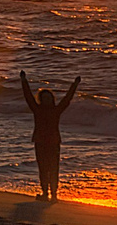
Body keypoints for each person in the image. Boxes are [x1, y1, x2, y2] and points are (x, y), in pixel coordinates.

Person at [19, 70, 82, 201]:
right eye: (44, 98)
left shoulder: (56, 110)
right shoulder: (37, 110)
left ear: (52, 99)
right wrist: (23, 81)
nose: (47, 100)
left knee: (53, 168)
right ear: (41, 100)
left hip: (53, 142)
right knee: (43, 168)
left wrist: (74, 84)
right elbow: (28, 96)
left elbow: (67, 99)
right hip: (40, 141)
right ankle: (45, 193)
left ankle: (54, 194)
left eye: (49, 98)